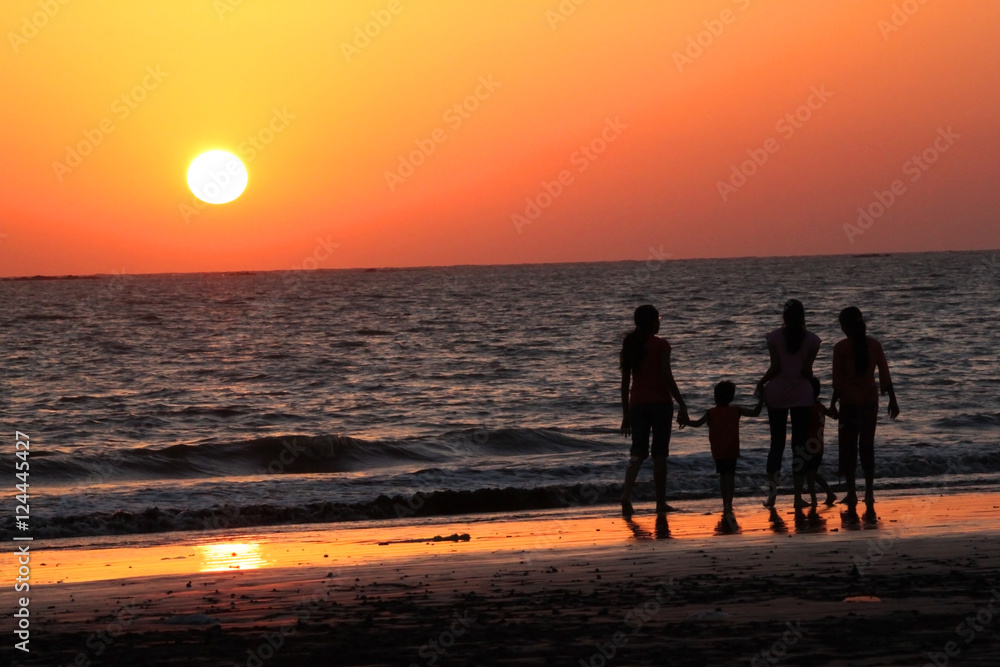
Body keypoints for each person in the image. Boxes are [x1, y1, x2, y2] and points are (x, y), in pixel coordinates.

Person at [619, 304, 689, 516]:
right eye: (658, 318)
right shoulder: (661, 345)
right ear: (651, 322)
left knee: (637, 453)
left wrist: (625, 414)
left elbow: (624, 383)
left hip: (637, 404)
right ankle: (660, 503)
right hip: (660, 404)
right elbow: (667, 377)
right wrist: (682, 403)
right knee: (660, 455)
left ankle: (625, 496)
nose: (660, 322)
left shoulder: (630, 343)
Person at [830, 307, 899, 513]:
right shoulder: (874, 345)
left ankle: (852, 492)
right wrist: (893, 400)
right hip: (870, 401)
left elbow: (838, 381)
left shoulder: (841, 348)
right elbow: (885, 374)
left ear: (846, 326)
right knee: (867, 447)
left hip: (850, 402)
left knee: (849, 447)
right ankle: (869, 492)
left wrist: (833, 403)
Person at [757, 299, 821, 509]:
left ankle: (772, 497)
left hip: (777, 394)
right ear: (803, 317)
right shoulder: (813, 340)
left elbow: (775, 367)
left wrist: (761, 381)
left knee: (776, 444)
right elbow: (806, 371)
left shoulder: (774, 337)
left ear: (784, 318)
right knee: (799, 446)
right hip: (802, 395)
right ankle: (797, 497)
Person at [682, 381, 763, 515]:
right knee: (730, 476)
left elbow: (696, 424)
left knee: (722, 476)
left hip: (719, 450)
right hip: (732, 449)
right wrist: (762, 400)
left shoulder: (711, 413)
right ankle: (728, 504)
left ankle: (725, 503)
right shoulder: (736, 410)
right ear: (731, 397)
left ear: (715, 397)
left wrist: (685, 421)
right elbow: (755, 412)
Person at [803, 377, 838, 506]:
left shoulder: (808, 408)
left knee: (810, 474)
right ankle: (829, 493)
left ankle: (814, 500)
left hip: (810, 445)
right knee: (812, 473)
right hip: (819, 446)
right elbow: (834, 416)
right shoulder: (820, 407)